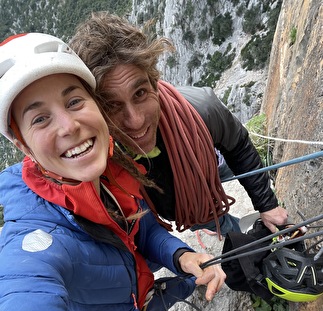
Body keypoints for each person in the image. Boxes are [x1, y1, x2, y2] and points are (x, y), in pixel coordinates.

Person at [0, 33, 226, 311]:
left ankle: (143, 306)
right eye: (40, 118)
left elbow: (143, 230)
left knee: (157, 302)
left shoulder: (112, 171)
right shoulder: (34, 235)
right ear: (22, 145)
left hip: (134, 295)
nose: (69, 125)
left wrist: (182, 256)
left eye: (74, 101)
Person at [69, 12, 289, 237]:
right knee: (218, 224)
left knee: (219, 206)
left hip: (208, 172)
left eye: (140, 93)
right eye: (111, 105)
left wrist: (267, 205)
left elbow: (238, 146)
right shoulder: (92, 157)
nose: (135, 120)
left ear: (154, 82)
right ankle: (224, 228)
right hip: (187, 211)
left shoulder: (202, 108)